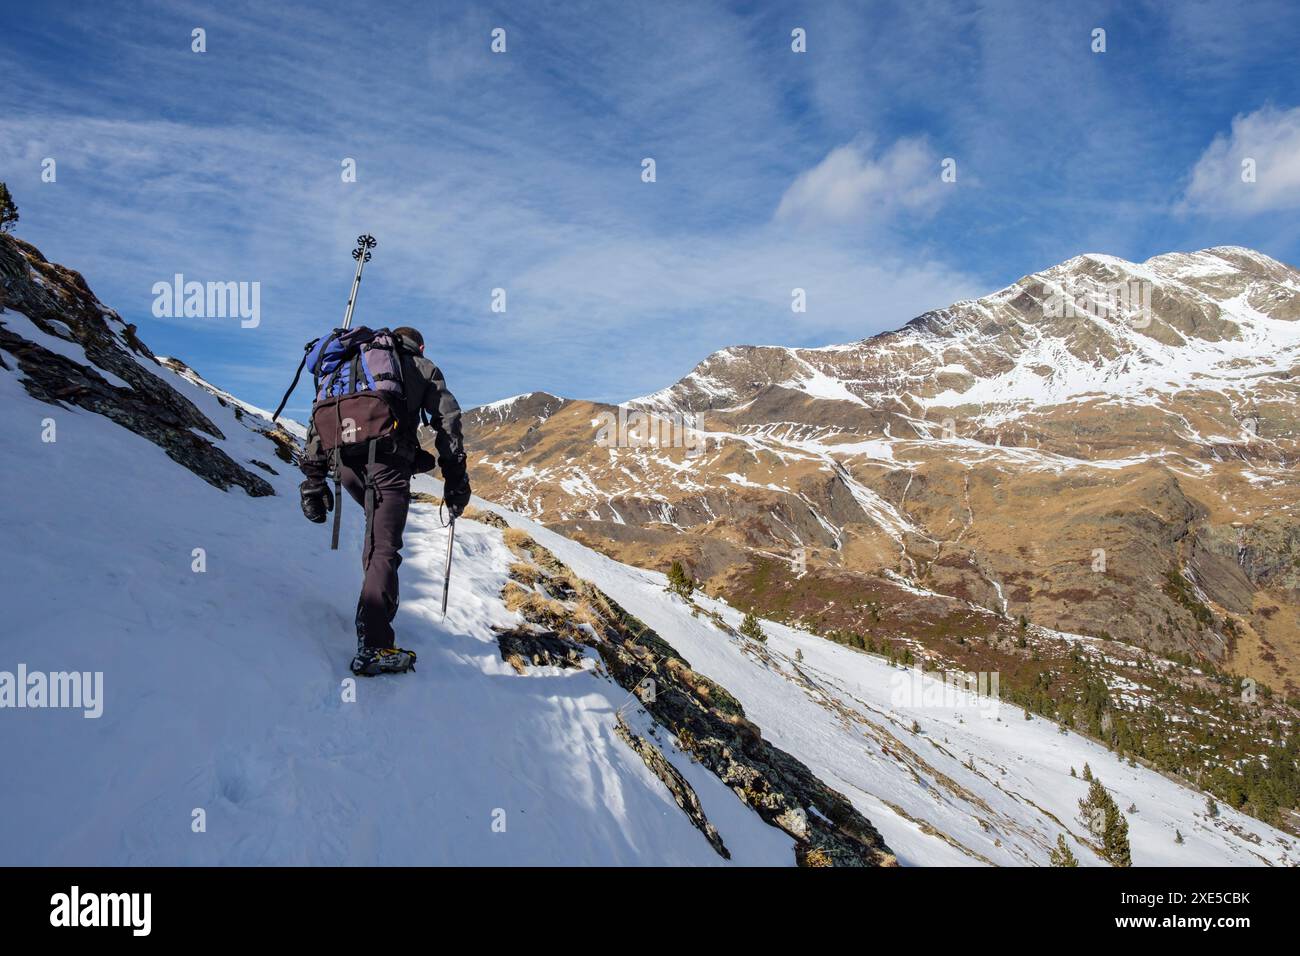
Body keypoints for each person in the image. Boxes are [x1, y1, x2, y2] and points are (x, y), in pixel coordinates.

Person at [297, 326, 471, 676]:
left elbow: (320, 417)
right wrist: (456, 483)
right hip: (386, 465)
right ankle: (374, 644)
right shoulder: (420, 366)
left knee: (377, 539)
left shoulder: (352, 365)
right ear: (419, 344)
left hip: (344, 464)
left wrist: (313, 480)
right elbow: (447, 423)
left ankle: (371, 616)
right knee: (384, 547)